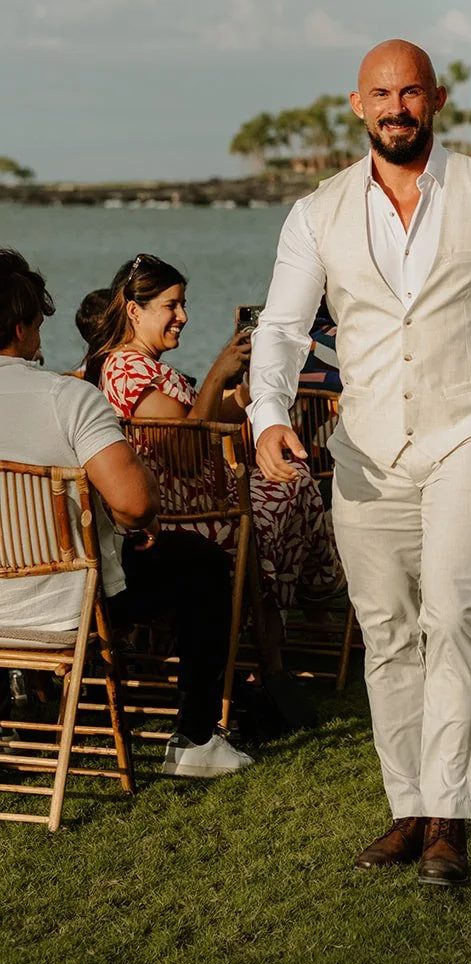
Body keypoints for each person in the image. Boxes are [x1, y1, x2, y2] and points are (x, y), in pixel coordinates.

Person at [250, 39, 471, 887]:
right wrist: (266, 415)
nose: (396, 107)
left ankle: (449, 819)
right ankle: (406, 809)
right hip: (364, 446)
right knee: (388, 627)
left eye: (410, 92)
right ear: (357, 105)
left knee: (456, 611)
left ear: (434, 99)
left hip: (469, 433)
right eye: (380, 94)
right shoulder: (315, 212)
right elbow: (285, 330)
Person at [0, 248, 251, 776]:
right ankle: (195, 741)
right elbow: (137, 504)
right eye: (40, 324)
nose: (44, 337)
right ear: (20, 326)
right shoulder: (66, 398)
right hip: (65, 603)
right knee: (202, 562)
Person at [86, 254, 340, 686]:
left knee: (290, 479)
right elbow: (182, 453)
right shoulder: (128, 369)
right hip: (189, 519)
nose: (183, 316)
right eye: (171, 305)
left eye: (183, 304)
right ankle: (301, 613)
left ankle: (288, 621)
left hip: (200, 504)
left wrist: (241, 393)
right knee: (294, 484)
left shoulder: (142, 365)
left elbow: (193, 419)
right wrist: (215, 377)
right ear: (135, 310)